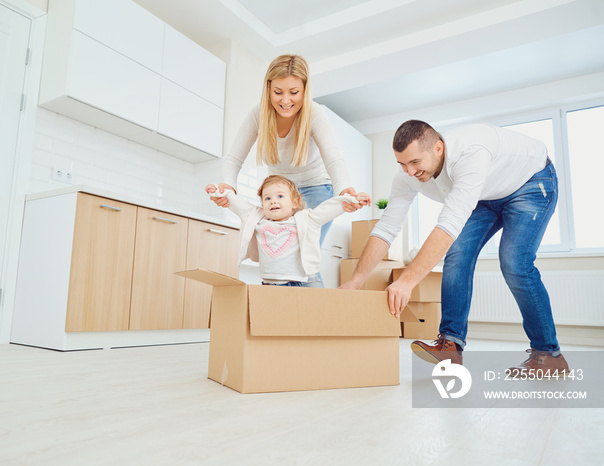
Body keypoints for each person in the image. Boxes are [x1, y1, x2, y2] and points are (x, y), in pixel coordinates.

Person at [340, 120, 569, 375]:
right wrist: (356, 280)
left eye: (416, 162)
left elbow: (448, 225)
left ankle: (549, 355)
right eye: (402, 164)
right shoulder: (406, 176)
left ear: (438, 148)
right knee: (457, 255)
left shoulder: (470, 154)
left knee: (515, 262)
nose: (409, 171)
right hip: (487, 194)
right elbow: (386, 227)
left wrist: (406, 282)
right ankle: (451, 345)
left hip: (531, 181)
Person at [210, 54, 366, 255]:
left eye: (294, 92)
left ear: (304, 90)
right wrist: (228, 185)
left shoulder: (314, 113)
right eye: (278, 92)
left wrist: (344, 190)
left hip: (316, 189)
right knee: (278, 255)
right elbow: (233, 159)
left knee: (303, 256)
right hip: (279, 194)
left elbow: (333, 159)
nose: (285, 100)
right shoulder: (258, 115)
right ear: (268, 89)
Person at [207, 175, 369, 287]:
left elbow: (329, 208)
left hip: (305, 282)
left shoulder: (306, 219)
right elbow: (235, 201)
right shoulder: (257, 218)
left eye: (280, 196)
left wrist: (352, 200)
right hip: (271, 285)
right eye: (267, 198)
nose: (273, 201)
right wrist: (217, 192)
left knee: (318, 321)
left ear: (294, 202)